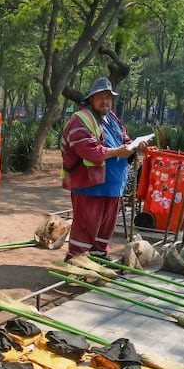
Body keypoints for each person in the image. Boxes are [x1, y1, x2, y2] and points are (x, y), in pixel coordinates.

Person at [60, 76, 132, 260]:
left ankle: (99, 255)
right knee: (86, 225)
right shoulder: (80, 120)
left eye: (108, 97)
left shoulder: (112, 117)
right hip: (90, 185)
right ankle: (76, 258)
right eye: (101, 97)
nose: (105, 101)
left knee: (106, 226)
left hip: (113, 184)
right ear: (91, 99)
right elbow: (90, 151)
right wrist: (118, 151)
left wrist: (135, 146)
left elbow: (124, 138)